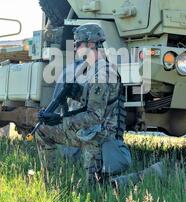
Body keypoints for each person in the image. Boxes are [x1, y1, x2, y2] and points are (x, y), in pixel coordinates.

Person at [35, 23, 131, 185]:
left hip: (98, 135)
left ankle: (57, 182)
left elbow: (94, 116)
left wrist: (60, 119)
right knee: (42, 130)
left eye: (78, 44)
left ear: (91, 44)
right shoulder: (90, 69)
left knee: (93, 188)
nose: (75, 48)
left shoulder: (102, 74)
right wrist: (77, 94)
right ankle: (49, 181)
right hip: (89, 131)